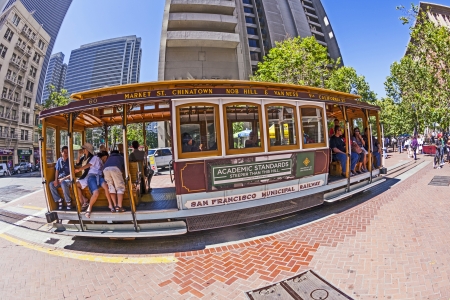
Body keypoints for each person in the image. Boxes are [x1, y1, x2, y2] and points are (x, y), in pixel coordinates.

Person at [74, 143, 113, 218]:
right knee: (96, 192)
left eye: (84, 149)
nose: (106, 160)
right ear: (104, 156)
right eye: (106, 158)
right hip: (91, 177)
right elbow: (88, 165)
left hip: (98, 177)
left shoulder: (100, 162)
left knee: (106, 187)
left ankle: (110, 204)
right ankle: (88, 207)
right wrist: (79, 169)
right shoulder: (95, 158)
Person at [48, 146, 72, 210]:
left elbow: (72, 174)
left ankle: (68, 201)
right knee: (51, 184)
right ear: (61, 152)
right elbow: (57, 171)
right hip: (60, 179)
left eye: (67, 152)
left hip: (68, 180)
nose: (66, 153)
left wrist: (63, 179)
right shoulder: (59, 160)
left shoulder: (70, 161)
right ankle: (59, 200)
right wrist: (56, 180)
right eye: (64, 152)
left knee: (63, 183)